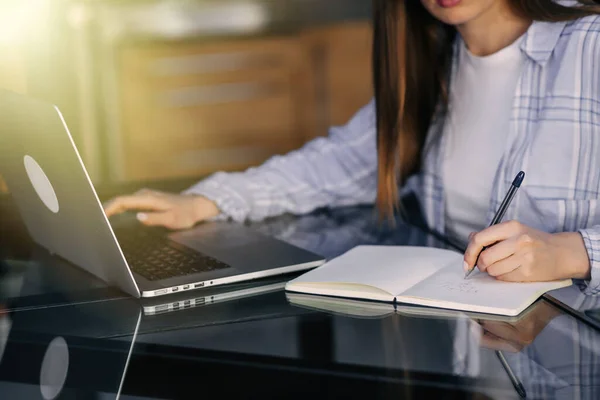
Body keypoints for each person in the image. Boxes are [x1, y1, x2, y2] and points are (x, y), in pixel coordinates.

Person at [104, 0, 600, 294]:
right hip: (472, 346)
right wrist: (207, 200)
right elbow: (342, 163)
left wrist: (574, 253)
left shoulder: (589, 44)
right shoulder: (430, 62)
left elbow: (573, 257)